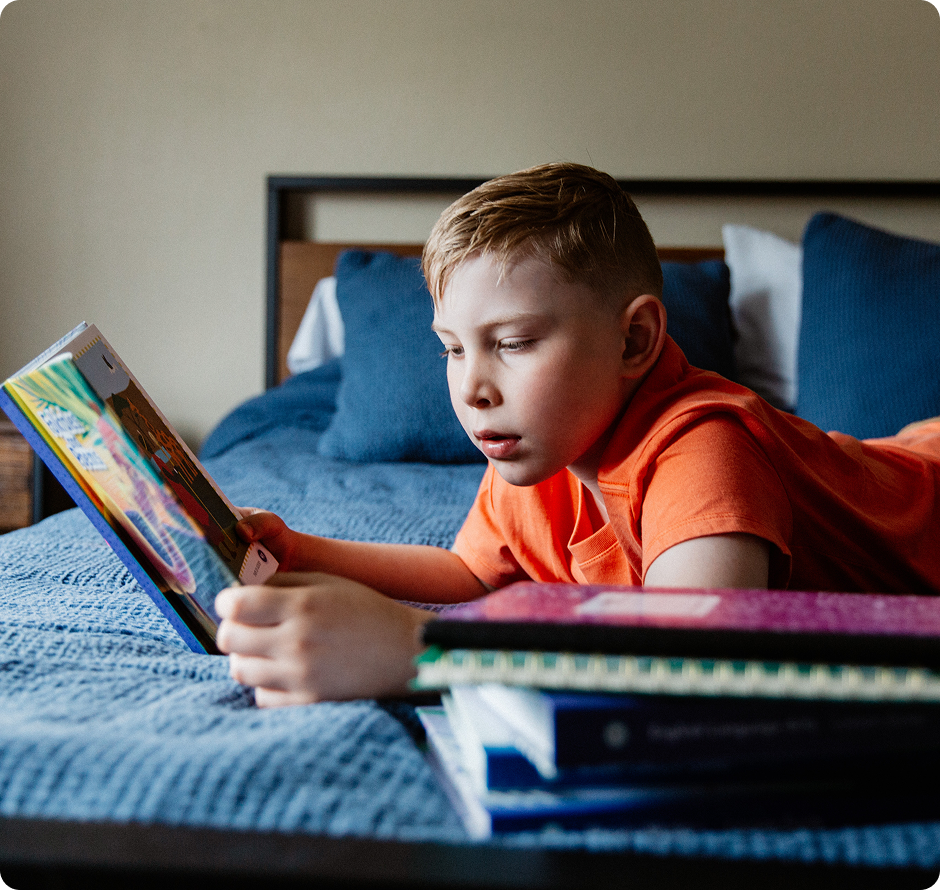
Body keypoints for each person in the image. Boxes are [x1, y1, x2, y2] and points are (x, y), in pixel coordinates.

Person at [215, 162, 940, 707]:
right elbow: (473, 577)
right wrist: (299, 550)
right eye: (453, 348)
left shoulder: (704, 445)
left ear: (634, 342)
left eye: (515, 342)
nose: (472, 388)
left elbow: (693, 658)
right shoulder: (536, 447)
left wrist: (418, 648)